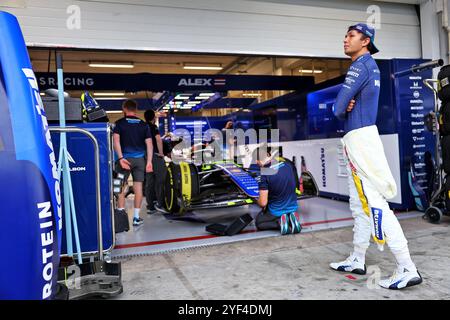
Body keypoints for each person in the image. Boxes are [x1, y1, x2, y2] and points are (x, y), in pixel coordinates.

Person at [329, 23, 422, 289]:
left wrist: (343, 105)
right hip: (358, 139)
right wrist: (345, 104)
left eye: (351, 36)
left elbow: (337, 108)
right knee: (359, 205)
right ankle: (358, 258)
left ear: (365, 41)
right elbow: (343, 105)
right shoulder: (369, 66)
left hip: (360, 140)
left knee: (375, 204)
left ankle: (407, 266)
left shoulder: (360, 66)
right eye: (345, 35)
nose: (345, 40)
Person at [113, 100, 153, 226]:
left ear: (124, 108)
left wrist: (120, 158)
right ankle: (136, 218)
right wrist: (149, 162)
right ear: (136, 110)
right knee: (138, 189)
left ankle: (120, 219)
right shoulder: (143, 125)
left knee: (118, 187)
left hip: (123, 161)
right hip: (140, 161)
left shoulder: (119, 123)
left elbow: (116, 142)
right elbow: (149, 144)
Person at [255, 145, 301, 235]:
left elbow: (263, 203)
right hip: (293, 207)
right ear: (269, 154)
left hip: (277, 211)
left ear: (257, 162)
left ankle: (280, 223)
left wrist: (257, 199)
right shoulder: (287, 164)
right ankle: (291, 219)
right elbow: (295, 184)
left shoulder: (264, 174)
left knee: (259, 222)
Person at [143, 109, 168, 214]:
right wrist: (161, 153)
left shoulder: (142, 127)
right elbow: (158, 140)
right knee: (161, 180)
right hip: (155, 156)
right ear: (154, 117)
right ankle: (160, 204)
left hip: (145, 156)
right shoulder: (153, 127)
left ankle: (150, 206)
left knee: (149, 181)